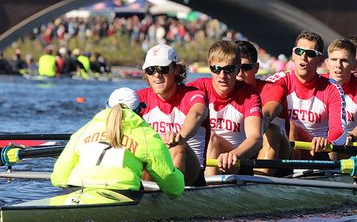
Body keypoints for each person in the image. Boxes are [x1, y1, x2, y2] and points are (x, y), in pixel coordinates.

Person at [50, 87, 184, 198]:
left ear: (106, 107)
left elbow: (58, 178)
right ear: (139, 111)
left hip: (76, 191)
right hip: (123, 194)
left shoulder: (83, 131)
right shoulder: (147, 135)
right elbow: (174, 188)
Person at [266, 30, 347, 157]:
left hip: (315, 152)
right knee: (271, 131)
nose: (303, 57)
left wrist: (328, 141)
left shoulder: (331, 88)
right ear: (293, 55)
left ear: (319, 59)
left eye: (310, 53)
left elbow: (340, 131)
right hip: (278, 149)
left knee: (292, 128)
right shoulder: (277, 81)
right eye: (299, 52)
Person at [137, 44, 208, 186]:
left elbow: (198, 113)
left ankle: (173, 190)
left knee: (176, 143)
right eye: (151, 70)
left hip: (192, 174)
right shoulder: (139, 98)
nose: (157, 75)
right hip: (155, 166)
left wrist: (180, 136)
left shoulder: (193, 95)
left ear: (176, 70)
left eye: (163, 69)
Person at [189, 41, 263, 175]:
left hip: (236, 161)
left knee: (213, 140)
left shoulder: (249, 94)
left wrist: (234, 154)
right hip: (201, 160)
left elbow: (256, 138)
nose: (222, 76)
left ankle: (207, 189)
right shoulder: (197, 88)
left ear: (237, 69)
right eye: (216, 69)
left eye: (228, 70)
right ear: (209, 67)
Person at [235, 40, 290, 161]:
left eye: (246, 67)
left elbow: (265, 117)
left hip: (278, 156)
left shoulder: (273, 89)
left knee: (272, 131)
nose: (239, 73)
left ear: (256, 68)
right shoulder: (223, 91)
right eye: (235, 68)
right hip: (239, 154)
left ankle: (261, 177)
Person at [325, 38, 357, 145]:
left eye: (344, 61)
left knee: (335, 140)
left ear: (353, 65)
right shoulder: (318, 83)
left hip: (347, 146)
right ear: (327, 63)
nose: (338, 65)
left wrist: (351, 137)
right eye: (334, 60)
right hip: (317, 143)